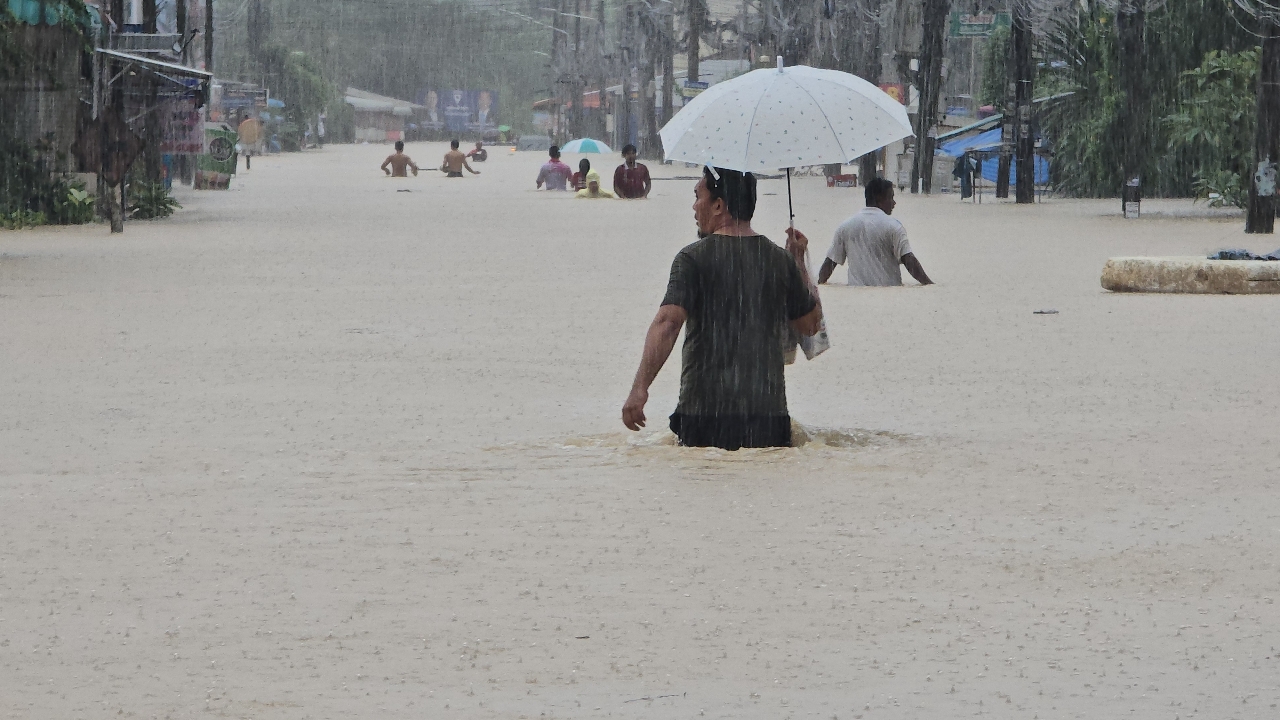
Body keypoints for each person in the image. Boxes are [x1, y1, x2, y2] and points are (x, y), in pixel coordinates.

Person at [621, 166, 822, 450]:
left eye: (697, 196)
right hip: (768, 417)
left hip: (704, 416)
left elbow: (668, 323)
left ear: (718, 205)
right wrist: (798, 261)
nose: (694, 206)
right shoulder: (780, 261)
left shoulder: (692, 259)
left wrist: (639, 388)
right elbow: (810, 327)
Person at [807, 177, 934, 287]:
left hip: (855, 295)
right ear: (879, 198)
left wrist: (817, 286)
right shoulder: (894, 226)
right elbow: (910, 262)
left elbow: (829, 264)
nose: (894, 203)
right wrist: (930, 286)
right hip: (888, 296)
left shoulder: (845, 226)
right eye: (891, 197)